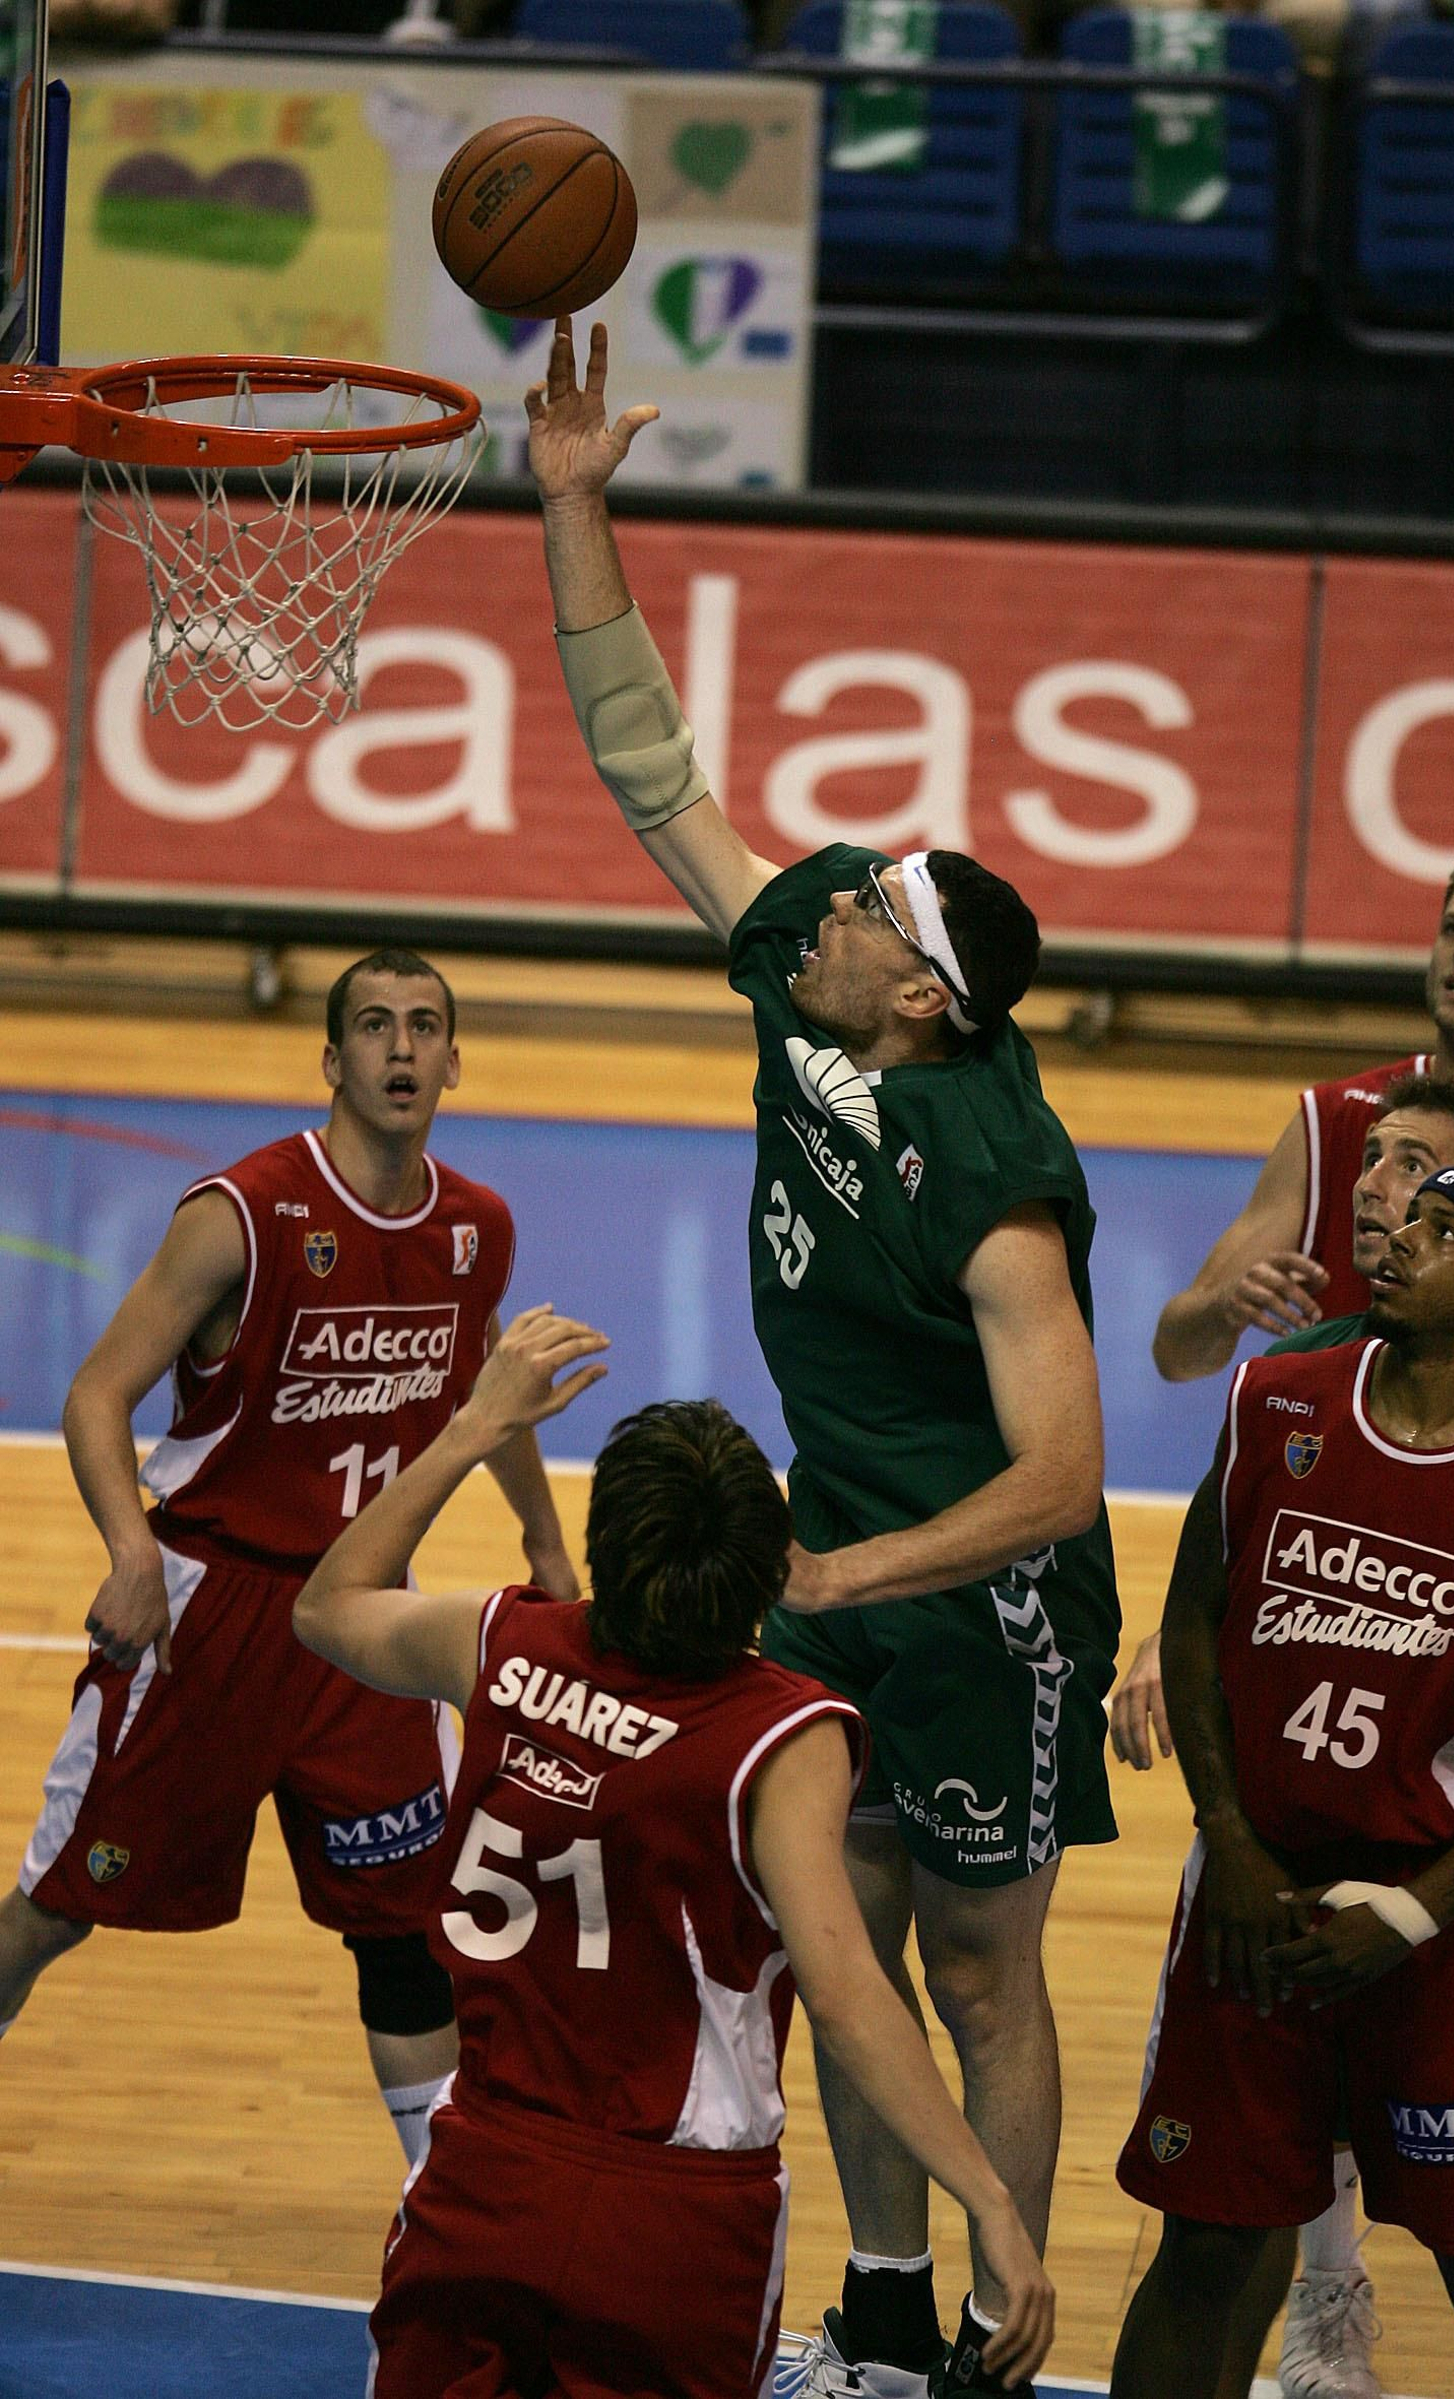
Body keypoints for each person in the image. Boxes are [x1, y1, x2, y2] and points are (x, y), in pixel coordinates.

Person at [525, 319, 1118, 2399]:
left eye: (872, 897)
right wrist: (576, 511)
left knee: (974, 1955)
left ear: (925, 993)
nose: (835, 892)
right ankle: (874, 2321)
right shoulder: (805, 986)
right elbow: (650, 773)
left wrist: (848, 1577)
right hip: (842, 1547)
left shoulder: (993, 1170)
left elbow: (1058, 1471)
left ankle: (998, 2322)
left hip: (986, 1599)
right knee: (837, 1937)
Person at [292, 1307, 1056, 2399]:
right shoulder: (783, 1736)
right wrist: (988, 2199)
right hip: (677, 2214)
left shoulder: (498, 1644)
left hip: (483, 2175)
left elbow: (327, 1605)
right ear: (764, 1575)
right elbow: (846, 1994)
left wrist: (474, 1426)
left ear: (608, 1545)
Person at [0, 948, 579, 2161]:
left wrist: (544, 1543)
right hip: (209, 1617)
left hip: (363, 1632)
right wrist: (127, 1551)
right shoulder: (243, 1213)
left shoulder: (478, 1227)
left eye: (426, 1026)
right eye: (375, 1026)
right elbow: (99, 1394)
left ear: (457, 1059)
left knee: (409, 1927)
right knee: (60, 1905)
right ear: (333, 1059)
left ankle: (442, 2204)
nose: (403, 1048)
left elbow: (487, 1387)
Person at [1116, 1072, 1454, 2399]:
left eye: (1441, 1231)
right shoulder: (1278, 1397)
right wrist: (1228, 1839)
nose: (1398, 1237)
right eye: (1401, 1216)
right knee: (1207, 2242)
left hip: (1437, 1929)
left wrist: (1414, 1911)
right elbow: (1197, 1611)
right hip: (1251, 1899)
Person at [1152, 849, 1454, 1383]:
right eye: (1453, 928)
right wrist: (1224, 1306)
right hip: (1347, 1456)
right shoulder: (1336, 1119)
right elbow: (1175, 1356)